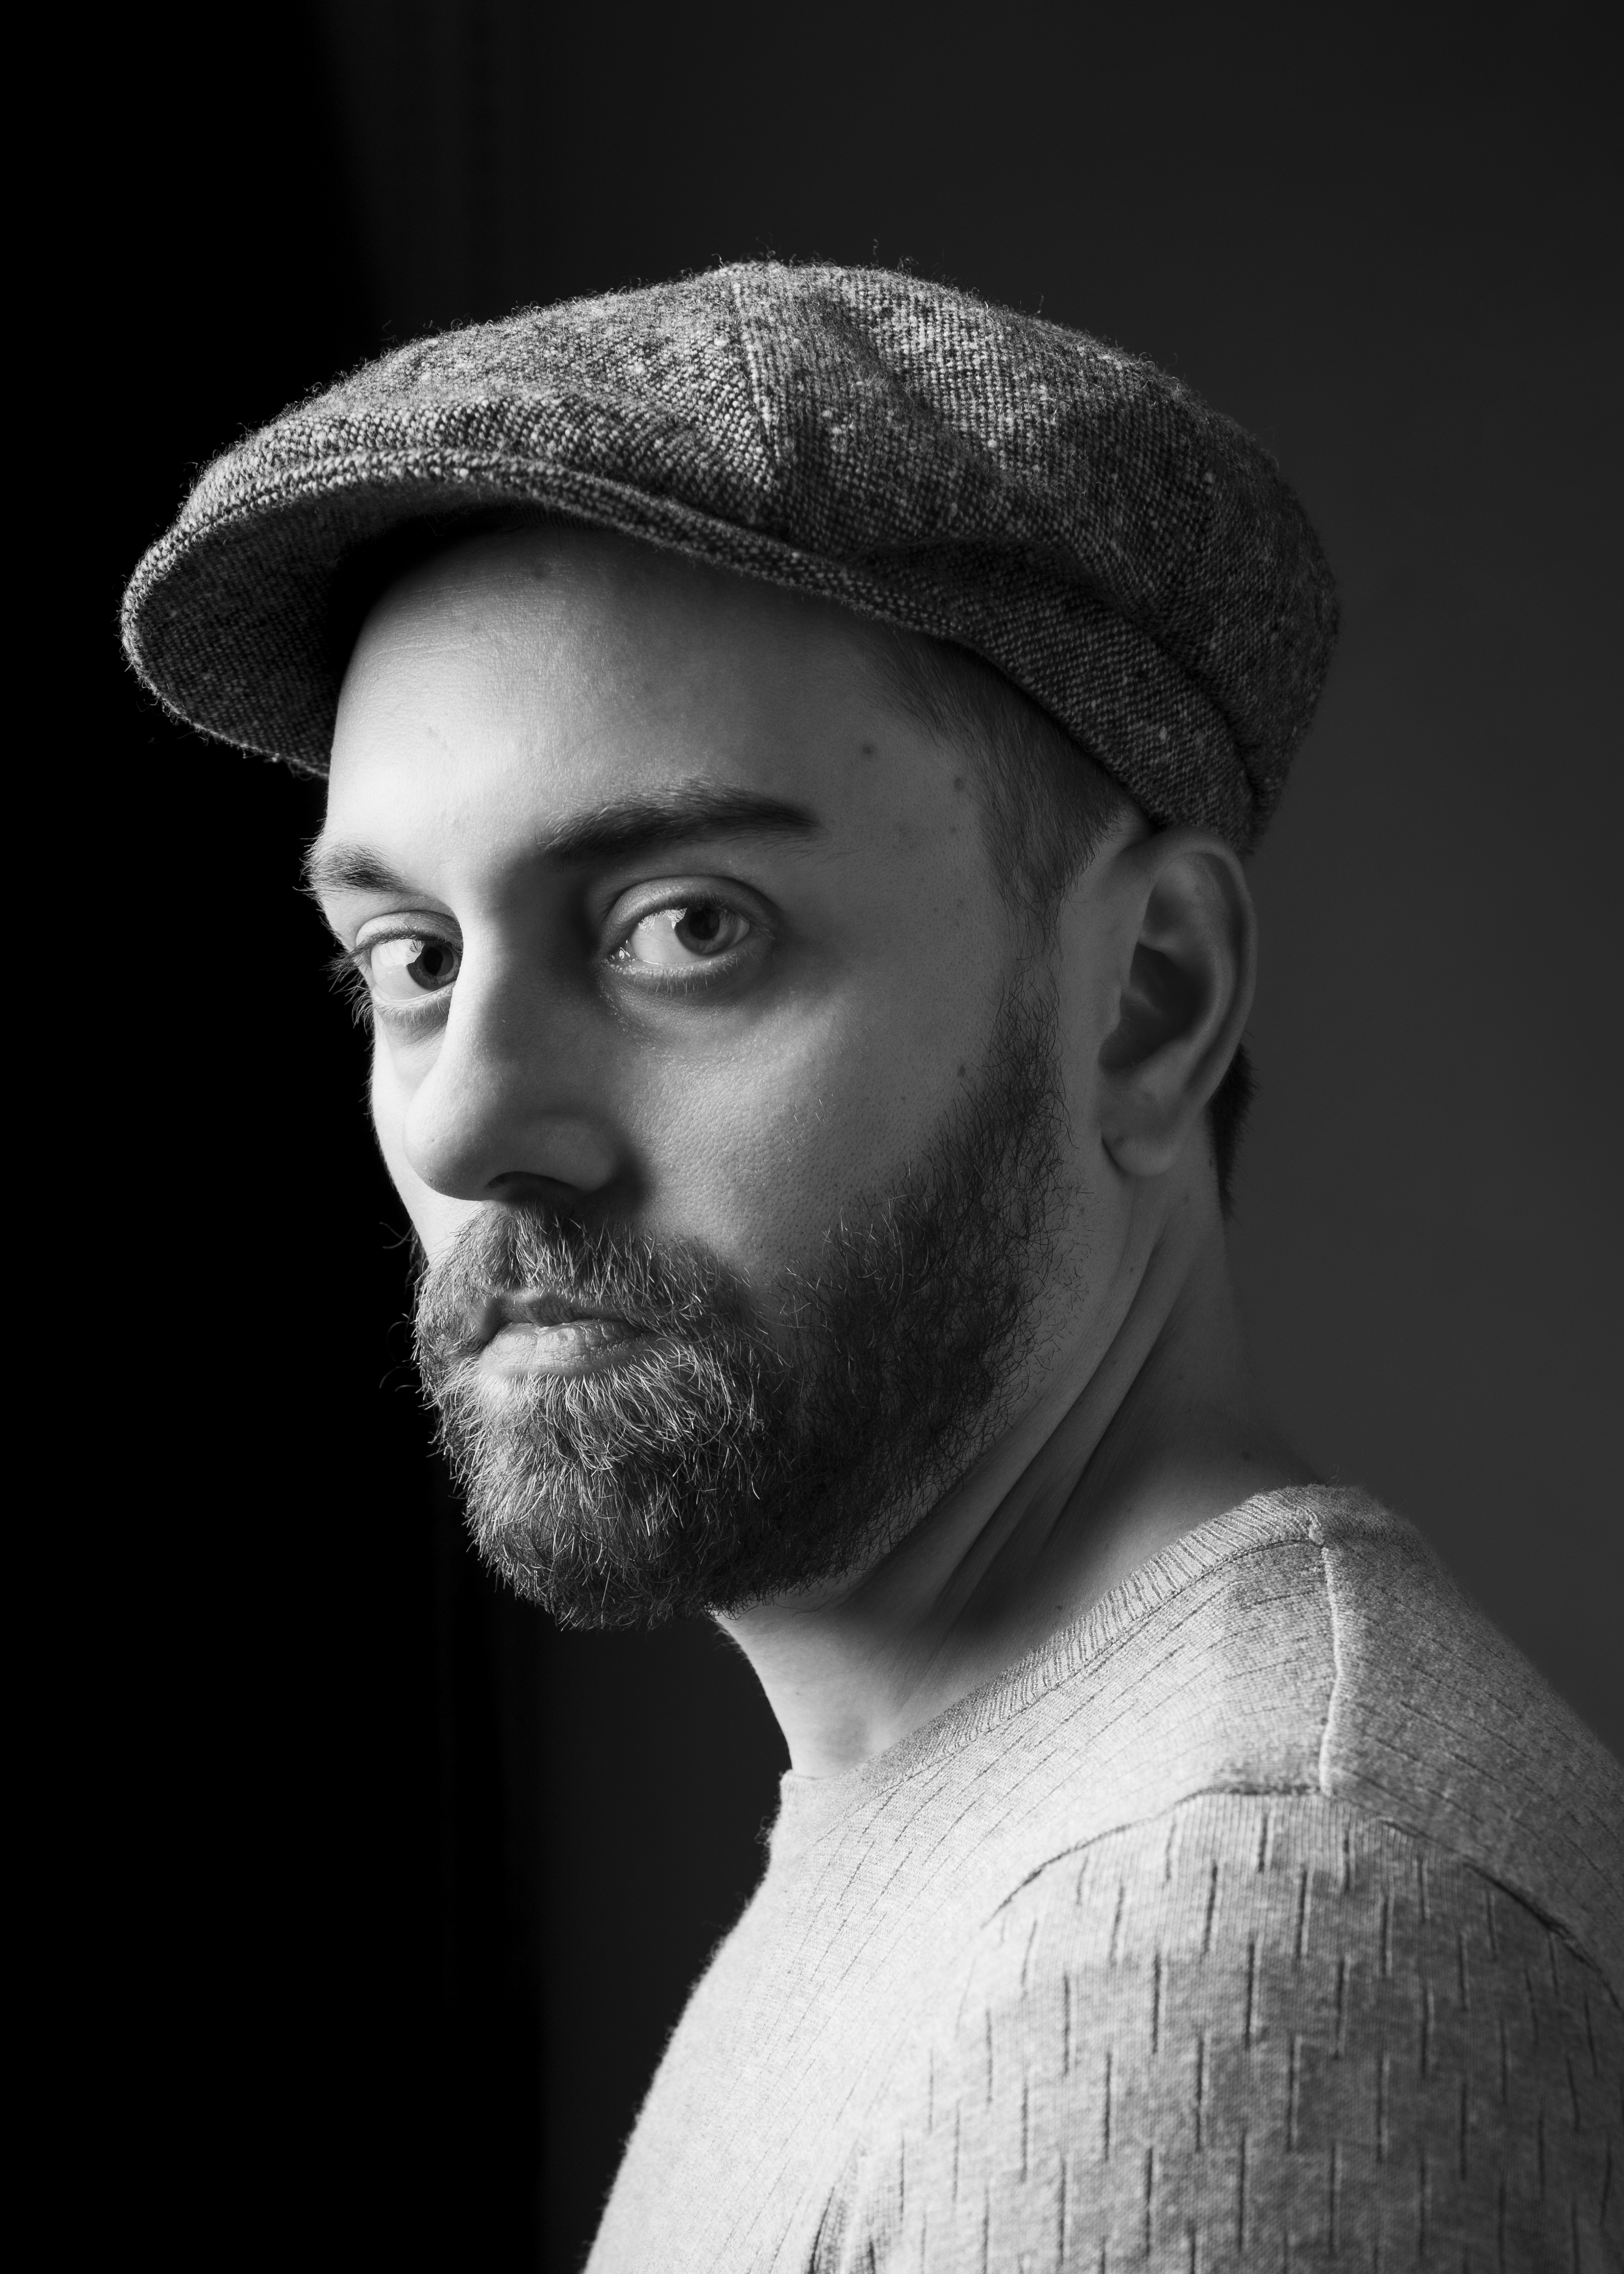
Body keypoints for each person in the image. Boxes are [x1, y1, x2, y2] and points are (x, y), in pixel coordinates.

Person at [125, 264, 1620, 2270]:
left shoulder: (1227, 1953)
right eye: (412, 959)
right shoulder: (992, 1825)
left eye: (686, 926)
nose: (468, 1122)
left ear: (1146, 1001)